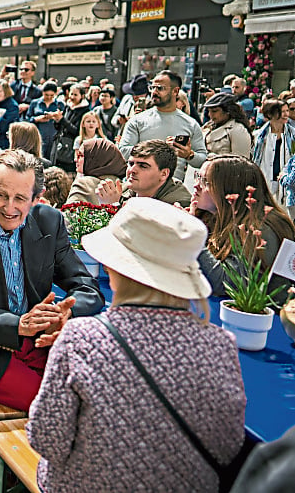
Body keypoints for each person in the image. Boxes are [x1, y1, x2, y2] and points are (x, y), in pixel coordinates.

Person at [27, 197, 245, 493]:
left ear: (115, 269)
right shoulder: (221, 345)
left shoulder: (80, 338)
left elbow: (46, 439)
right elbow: (228, 447)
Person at [0, 149, 103, 446]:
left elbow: (87, 288)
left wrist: (67, 315)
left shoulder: (50, 221)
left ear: (38, 198)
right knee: (58, 405)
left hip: (36, 339)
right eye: (1, 195)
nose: (9, 207)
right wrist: (16, 325)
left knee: (94, 393)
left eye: (21, 199)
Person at [193, 155, 295, 299]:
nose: (196, 185)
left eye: (205, 181)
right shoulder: (215, 216)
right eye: (197, 176)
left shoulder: (261, 230)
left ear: (229, 190)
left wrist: (191, 234)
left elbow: (226, 284)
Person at [118, 71, 206, 182]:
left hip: (172, 189)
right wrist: (157, 148)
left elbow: (202, 159)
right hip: (138, 187)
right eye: (152, 87)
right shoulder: (137, 120)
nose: (154, 92)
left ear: (175, 91)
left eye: (160, 88)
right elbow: (123, 151)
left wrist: (189, 155)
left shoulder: (190, 124)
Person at [97, 139, 192, 207]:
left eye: (143, 166)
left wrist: (114, 206)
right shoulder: (125, 189)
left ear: (164, 174)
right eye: (130, 163)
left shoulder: (177, 203)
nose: (132, 170)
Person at [252, 99, 295, 203]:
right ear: (270, 114)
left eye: (287, 111)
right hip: (265, 179)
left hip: (286, 182)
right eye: (281, 111)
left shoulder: (293, 134)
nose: (285, 114)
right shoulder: (259, 136)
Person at [66, 138, 127, 205]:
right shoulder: (124, 187)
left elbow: (69, 214)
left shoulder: (84, 184)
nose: (75, 159)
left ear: (95, 159)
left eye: (80, 155)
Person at [50, 83, 91, 172]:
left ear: (82, 96)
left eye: (75, 95)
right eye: (71, 94)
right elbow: (59, 126)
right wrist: (57, 120)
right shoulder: (67, 106)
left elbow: (77, 131)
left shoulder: (85, 111)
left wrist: (62, 119)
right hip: (60, 144)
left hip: (72, 148)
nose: (72, 97)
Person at [202, 92, 252, 158]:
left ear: (228, 111)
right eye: (209, 111)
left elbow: (240, 162)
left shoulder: (237, 130)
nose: (210, 115)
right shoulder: (208, 126)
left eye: (214, 111)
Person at [26, 81, 64, 159]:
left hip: (54, 137)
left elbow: (64, 121)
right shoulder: (35, 103)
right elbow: (27, 120)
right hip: (38, 137)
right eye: (46, 95)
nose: (49, 97)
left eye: (52, 95)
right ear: (42, 92)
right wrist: (36, 119)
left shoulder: (60, 104)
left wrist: (55, 117)